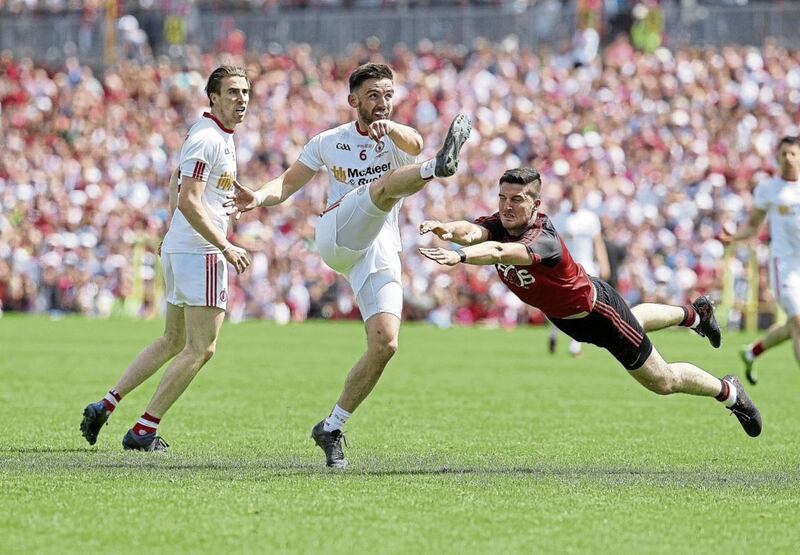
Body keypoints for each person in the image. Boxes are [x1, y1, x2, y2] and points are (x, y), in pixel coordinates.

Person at [232, 63, 471, 467]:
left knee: (386, 344)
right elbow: (287, 185)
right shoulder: (328, 141)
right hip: (337, 234)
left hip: (378, 247)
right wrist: (257, 197)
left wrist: (393, 130)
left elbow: (413, 142)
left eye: (388, 95)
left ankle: (332, 426)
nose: (382, 103)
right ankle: (439, 168)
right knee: (380, 190)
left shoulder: (395, 135)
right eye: (374, 96)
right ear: (353, 101)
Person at [419, 167, 762, 438]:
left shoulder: (543, 238)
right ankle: (695, 315)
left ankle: (728, 390)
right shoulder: (502, 222)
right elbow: (475, 231)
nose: (507, 206)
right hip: (571, 317)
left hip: (599, 315)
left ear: (535, 204)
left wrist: (459, 257)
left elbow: (496, 251)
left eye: (518, 199)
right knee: (636, 319)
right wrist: (446, 229)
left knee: (663, 381)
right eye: (502, 197)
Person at [79, 65, 252, 451]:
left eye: (245, 92)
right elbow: (189, 199)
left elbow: (179, 180)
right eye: (233, 92)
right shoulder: (209, 137)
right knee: (202, 347)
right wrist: (225, 245)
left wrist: (173, 228)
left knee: (172, 339)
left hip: (182, 247)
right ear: (214, 97)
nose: (241, 100)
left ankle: (105, 404)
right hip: (201, 251)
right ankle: (143, 430)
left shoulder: (212, 134)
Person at [721, 136, 800, 386]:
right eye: (784, 153)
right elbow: (753, 224)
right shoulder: (769, 189)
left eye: (793, 154)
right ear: (777, 157)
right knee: (799, 321)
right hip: (785, 265)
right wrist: (735, 236)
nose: (788, 158)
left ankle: (751, 352)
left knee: (794, 325)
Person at [548, 185, 610, 356]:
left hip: (586, 266)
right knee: (559, 304)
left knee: (583, 305)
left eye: (578, 194)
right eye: (573, 195)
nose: (576, 198)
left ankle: (574, 346)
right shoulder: (560, 218)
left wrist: (604, 263)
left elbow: (597, 242)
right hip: (566, 267)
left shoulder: (590, 218)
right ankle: (553, 334)